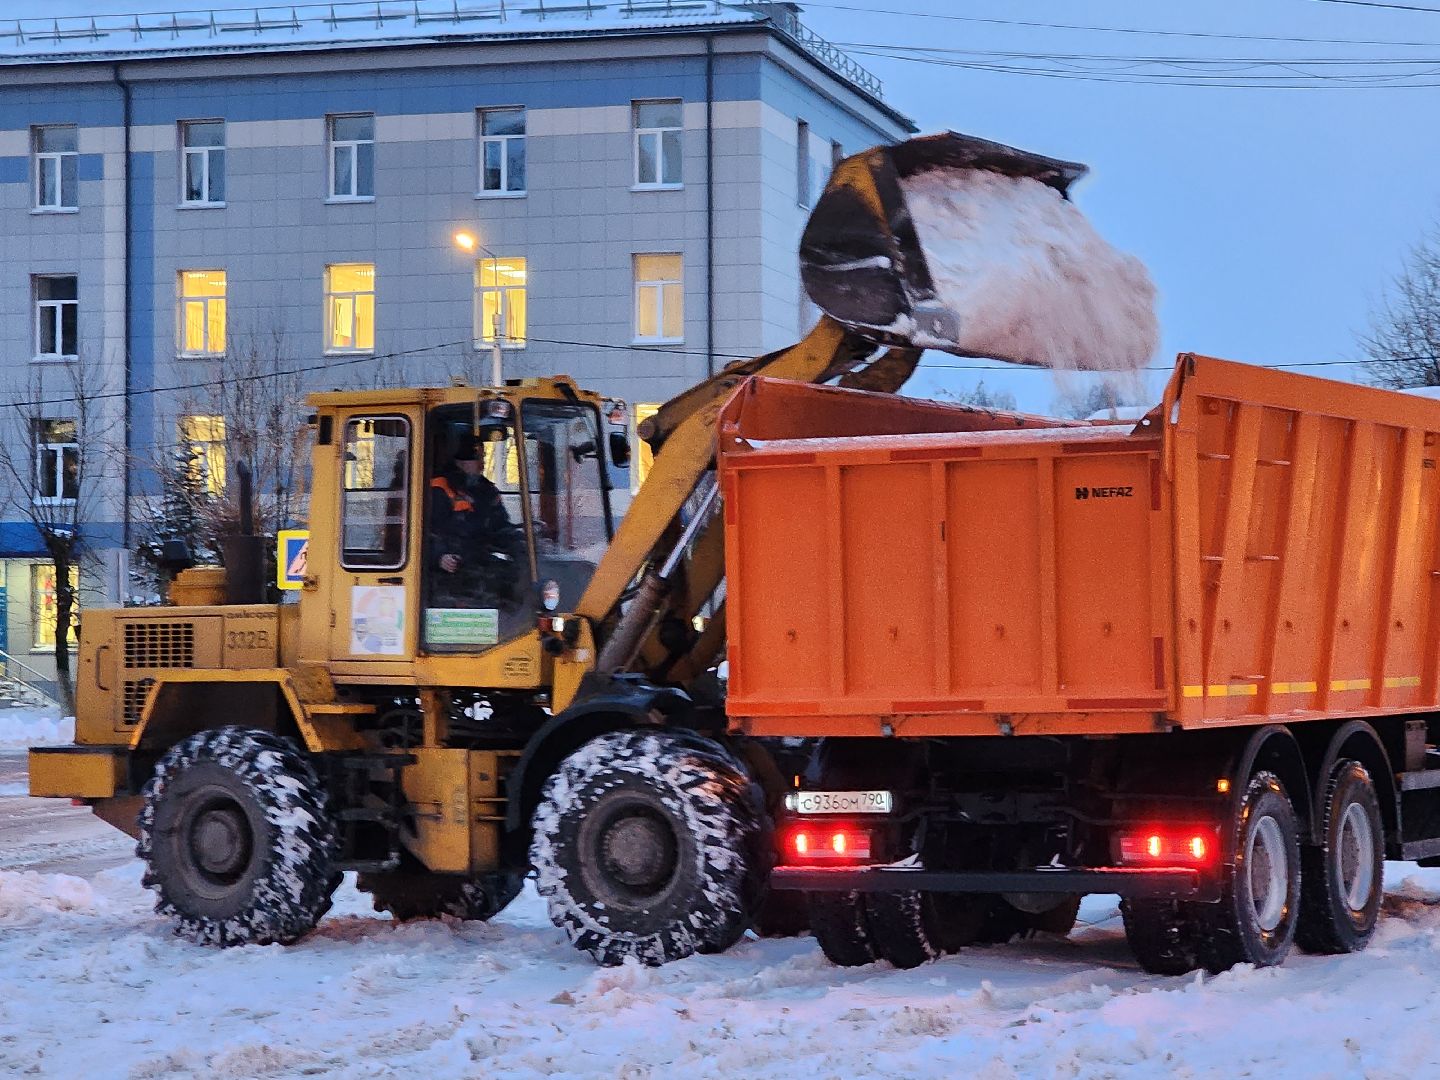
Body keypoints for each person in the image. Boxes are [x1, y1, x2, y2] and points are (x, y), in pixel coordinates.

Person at [428, 437, 525, 609]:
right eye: (477, 459)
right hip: (449, 569)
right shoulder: (439, 489)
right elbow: (425, 532)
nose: (482, 465)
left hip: (479, 559)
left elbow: (500, 527)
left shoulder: (487, 491)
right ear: (461, 463)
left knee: (516, 579)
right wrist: (440, 557)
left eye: (483, 458)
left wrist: (520, 542)